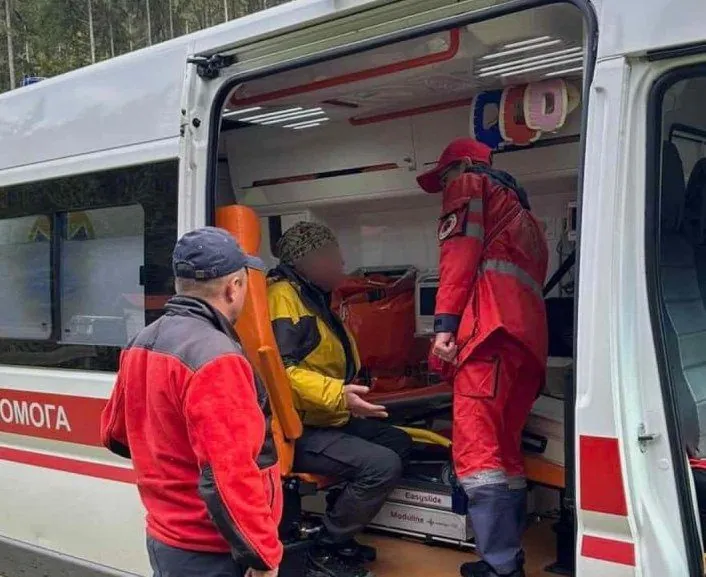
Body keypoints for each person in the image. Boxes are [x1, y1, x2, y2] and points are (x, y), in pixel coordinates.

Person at [100, 227, 283, 577]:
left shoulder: (142, 341)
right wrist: (261, 557)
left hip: (166, 538)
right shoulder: (217, 358)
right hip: (212, 549)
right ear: (234, 287)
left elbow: (115, 434)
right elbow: (229, 475)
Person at [417, 138, 549, 577]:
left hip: (487, 336)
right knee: (505, 455)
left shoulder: (469, 185)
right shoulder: (527, 217)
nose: (444, 188)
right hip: (525, 345)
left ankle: (497, 565)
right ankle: (508, 556)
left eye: (444, 178)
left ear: (463, 166)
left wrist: (443, 330)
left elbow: (457, 258)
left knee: (477, 455)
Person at [267, 221, 413, 577]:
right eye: (331, 255)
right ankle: (326, 547)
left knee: (398, 441)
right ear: (308, 261)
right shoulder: (284, 298)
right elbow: (279, 372)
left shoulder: (312, 295)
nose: (341, 261)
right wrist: (338, 394)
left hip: (325, 414)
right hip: (297, 428)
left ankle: (338, 522)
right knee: (381, 465)